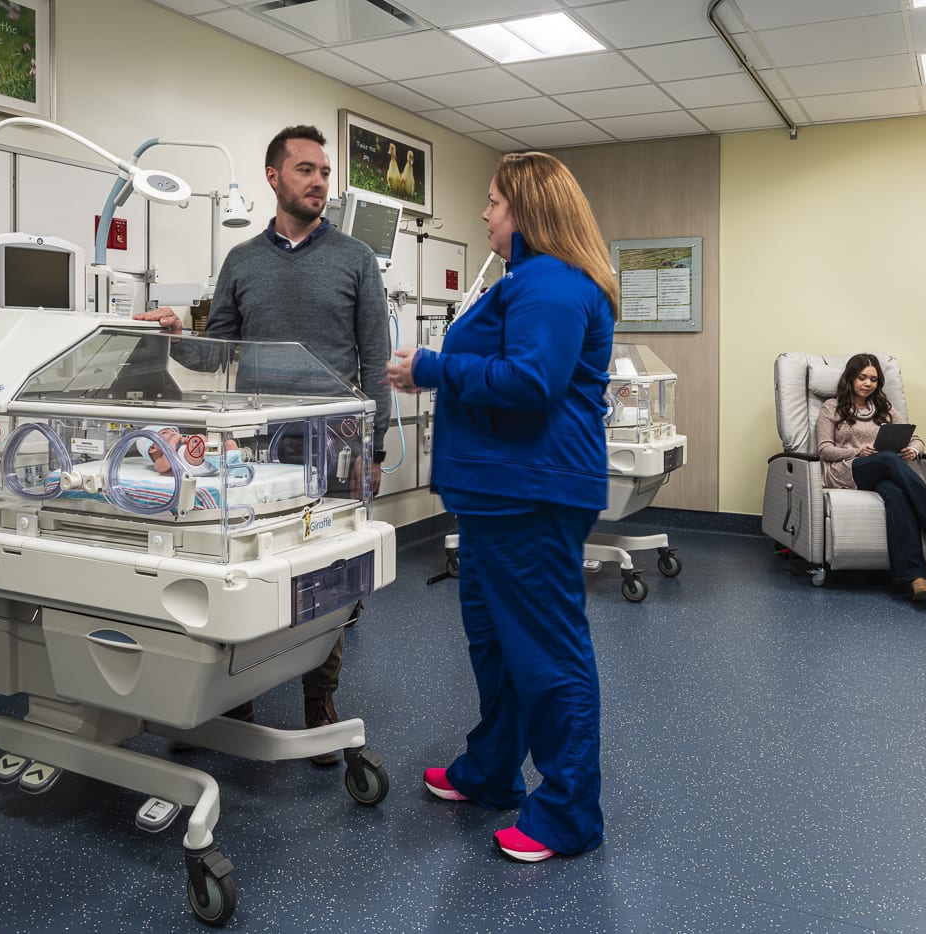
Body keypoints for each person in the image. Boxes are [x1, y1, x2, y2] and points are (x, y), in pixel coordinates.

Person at [385, 151, 614, 863]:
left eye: (492, 201)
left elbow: (530, 383)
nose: (483, 212)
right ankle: (490, 770)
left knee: (546, 653)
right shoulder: (526, 280)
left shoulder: (550, 282)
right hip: (497, 495)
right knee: (495, 642)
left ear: (527, 209)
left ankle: (569, 813)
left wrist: (431, 368)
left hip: (532, 494)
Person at [136, 125, 390, 765]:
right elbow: (217, 353)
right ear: (274, 177)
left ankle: (319, 700)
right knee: (244, 569)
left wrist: (375, 449)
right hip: (254, 448)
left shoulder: (356, 259)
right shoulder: (243, 261)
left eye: (325, 173)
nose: (319, 183)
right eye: (305, 170)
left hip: (331, 448)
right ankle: (237, 697)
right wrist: (173, 333)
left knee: (329, 577)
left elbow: (377, 360)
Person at [815, 353, 926, 602]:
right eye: (862, 377)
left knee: (897, 494)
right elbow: (825, 449)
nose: (868, 384)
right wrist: (857, 451)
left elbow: (916, 437)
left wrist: (913, 450)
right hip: (847, 470)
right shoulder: (832, 407)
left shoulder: (884, 408)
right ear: (850, 378)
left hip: (882, 471)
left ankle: (916, 578)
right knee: (889, 458)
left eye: (873, 379)